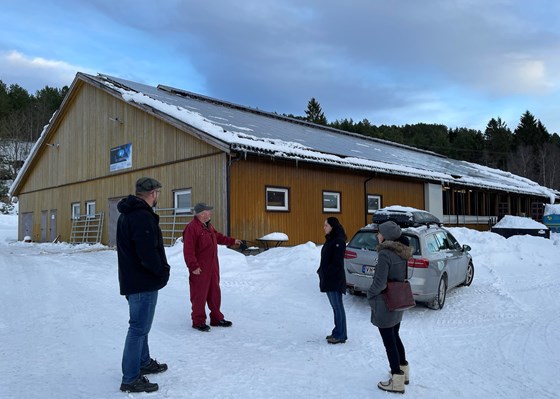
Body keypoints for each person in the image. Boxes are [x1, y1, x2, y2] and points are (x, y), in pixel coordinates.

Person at [116, 177, 170, 393]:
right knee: (138, 328)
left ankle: (143, 362)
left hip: (133, 280)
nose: (158, 196)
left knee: (142, 326)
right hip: (142, 282)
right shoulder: (141, 216)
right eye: (158, 193)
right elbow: (147, 253)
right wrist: (161, 271)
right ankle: (130, 378)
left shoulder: (128, 214)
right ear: (153, 193)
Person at [367, 221, 413, 394]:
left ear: (385, 236)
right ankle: (404, 372)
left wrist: (370, 294)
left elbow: (379, 282)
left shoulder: (386, 254)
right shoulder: (401, 252)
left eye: (379, 233)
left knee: (389, 342)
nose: (377, 236)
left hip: (385, 303)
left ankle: (396, 379)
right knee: (395, 336)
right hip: (397, 301)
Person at [182, 202, 242, 332]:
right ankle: (198, 321)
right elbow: (188, 251)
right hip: (199, 268)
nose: (211, 213)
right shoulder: (191, 228)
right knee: (199, 294)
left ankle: (216, 318)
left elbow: (218, 237)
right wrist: (193, 266)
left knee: (215, 292)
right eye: (209, 211)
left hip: (213, 266)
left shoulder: (208, 226)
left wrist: (232, 241)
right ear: (202, 214)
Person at [317, 217, 348, 344]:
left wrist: (328, 272)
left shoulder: (338, 241)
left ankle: (341, 334)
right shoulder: (331, 239)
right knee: (335, 307)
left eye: (326, 225)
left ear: (332, 227)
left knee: (338, 307)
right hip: (329, 278)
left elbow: (337, 262)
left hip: (334, 279)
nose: (324, 227)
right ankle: (337, 331)